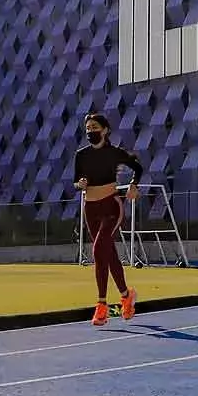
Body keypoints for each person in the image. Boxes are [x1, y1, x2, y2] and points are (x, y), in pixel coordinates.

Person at [74, 112, 141, 326]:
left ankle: (101, 305)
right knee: (108, 254)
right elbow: (76, 181)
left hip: (111, 206)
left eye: (95, 127)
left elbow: (137, 167)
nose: (91, 131)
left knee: (98, 250)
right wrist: (80, 184)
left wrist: (133, 185)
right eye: (88, 128)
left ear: (105, 130)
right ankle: (126, 296)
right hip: (90, 208)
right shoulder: (81, 155)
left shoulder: (114, 153)